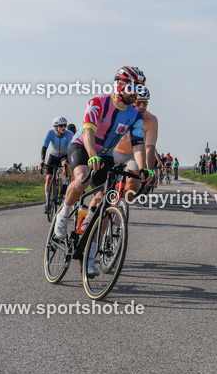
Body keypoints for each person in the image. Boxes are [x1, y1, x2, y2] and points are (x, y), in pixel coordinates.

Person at [54, 66, 151, 277]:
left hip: (106, 153)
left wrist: (143, 168)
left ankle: (89, 255)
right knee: (81, 178)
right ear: (120, 86)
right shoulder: (97, 102)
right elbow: (88, 131)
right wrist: (92, 155)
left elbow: (138, 144)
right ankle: (64, 214)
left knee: (106, 201)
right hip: (82, 146)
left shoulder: (135, 115)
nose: (136, 92)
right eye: (133, 87)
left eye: (140, 88)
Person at [112, 84, 158, 203]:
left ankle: (120, 205)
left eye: (145, 103)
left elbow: (150, 147)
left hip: (132, 155)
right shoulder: (120, 112)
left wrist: (150, 170)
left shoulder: (151, 119)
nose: (142, 106)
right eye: (139, 103)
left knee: (133, 185)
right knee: (101, 185)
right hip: (113, 151)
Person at [40, 116, 74, 214]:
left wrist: (66, 163)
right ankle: (47, 202)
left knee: (65, 165)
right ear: (56, 127)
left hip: (64, 156)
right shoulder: (50, 133)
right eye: (61, 126)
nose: (64, 128)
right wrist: (42, 160)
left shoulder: (69, 134)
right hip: (53, 156)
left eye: (65, 126)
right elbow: (44, 147)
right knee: (48, 178)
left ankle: (64, 185)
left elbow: (69, 149)